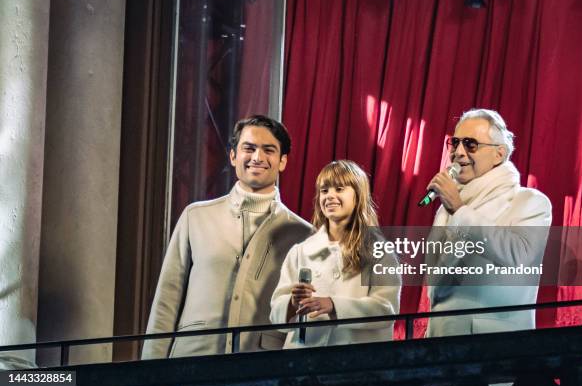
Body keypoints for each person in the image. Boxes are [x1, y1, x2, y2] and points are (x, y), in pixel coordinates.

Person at [142, 115, 312, 359]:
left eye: (269, 150)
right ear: (233, 156)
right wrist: (149, 374)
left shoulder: (304, 234)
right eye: (249, 148)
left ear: (282, 161)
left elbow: (302, 319)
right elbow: (166, 302)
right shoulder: (196, 217)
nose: (257, 157)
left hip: (263, 369)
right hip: (190, 362)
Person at [425, 108, 552, 337]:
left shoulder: (528, 202)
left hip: (494, 348)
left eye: (470, 144)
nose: (459, 153)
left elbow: (518, 256)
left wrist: (459, 209)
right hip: (439, 346)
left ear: (499, 154)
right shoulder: (446, 210)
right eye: (455, 143)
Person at [270, 160, 400, 348]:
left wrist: (334, 305)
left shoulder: (379, 251)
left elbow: (386, 310)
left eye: (339, 189)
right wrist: (292, 303)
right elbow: (276, 314)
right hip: (302, 360)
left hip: (355, 363)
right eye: (324, 190)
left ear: (358, 196)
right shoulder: (300, 251)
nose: (330, 196)